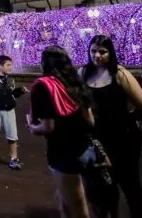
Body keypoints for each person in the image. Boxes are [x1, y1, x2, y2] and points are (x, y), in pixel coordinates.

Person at [79, 35, 142, 218]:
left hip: (124, 138)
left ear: (111, 52)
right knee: (104, 186)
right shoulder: (83, 73)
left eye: (102, 51)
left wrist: (125, 119)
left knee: (130, 184)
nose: (97, 55)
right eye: (93, 51)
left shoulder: (120, 74)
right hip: (98, 140)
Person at [28, 45, 97, 218]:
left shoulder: (44, 86)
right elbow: (90, 121)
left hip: (63, 152)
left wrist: (32, 127)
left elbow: (48, 127)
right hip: (86, 148)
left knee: (77, 207)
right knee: (67, 199)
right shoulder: (76, 81)